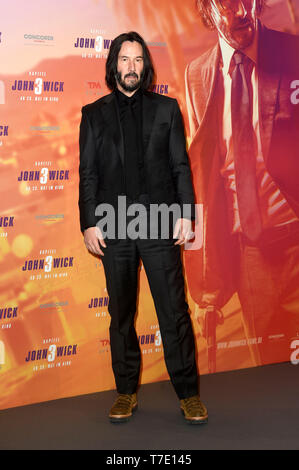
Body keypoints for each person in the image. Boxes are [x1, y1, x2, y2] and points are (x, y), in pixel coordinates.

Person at [78, 31, 208, 424]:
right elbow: (88, 175)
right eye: (124, 59)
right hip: (113, 225)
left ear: (145, 66)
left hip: (158, 223)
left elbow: (179, 166)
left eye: (137, 60)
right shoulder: (93, 113)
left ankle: (188, 394)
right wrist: (88, 222)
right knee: (121, 315)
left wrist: (186, 214)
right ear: (113, 65)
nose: (131, 67)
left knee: (174, 312)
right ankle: (125, 393)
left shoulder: (167, 109)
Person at [184, 0, 299, 367]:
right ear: (207, 6)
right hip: (252, 261)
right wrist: (208, 291)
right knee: (268, 381)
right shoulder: (197, 76)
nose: (241, 10)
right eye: (228, 1)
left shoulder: (292, 52)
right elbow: (204, 182)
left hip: (296, 242)